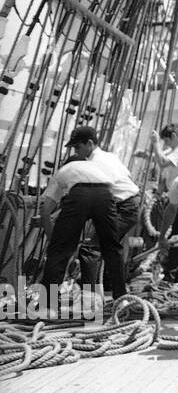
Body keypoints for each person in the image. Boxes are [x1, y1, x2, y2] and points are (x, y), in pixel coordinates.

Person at [38, 126, 141, 310]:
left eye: (78, 147)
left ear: (90, 143)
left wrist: (54, 236)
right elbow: (110, 186)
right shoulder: (107, 159)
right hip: (110, 197)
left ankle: (51, 304)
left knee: (65, 251)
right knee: (111, 249)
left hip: (119, 204)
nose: (77, 151)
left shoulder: (70, 169)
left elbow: (51, 208)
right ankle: (120, 298)